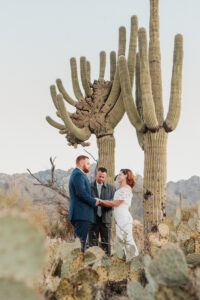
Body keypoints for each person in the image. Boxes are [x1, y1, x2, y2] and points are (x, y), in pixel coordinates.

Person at [98, 169, 139, 256]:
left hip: (124, 218)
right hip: (120, 219)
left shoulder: (126, 189)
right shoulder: (122, 188)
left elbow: (116, 203)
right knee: (121, 242)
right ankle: (125, 262)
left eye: (120, 174)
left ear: (126, 176)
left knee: (128, 241)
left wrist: (101, 201)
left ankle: (136, 261)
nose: (118, 176)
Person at [68, 155, 99, 253]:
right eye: (88, 163)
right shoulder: (78, 174)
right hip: (81, 214)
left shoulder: (78, 174)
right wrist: (94, 201)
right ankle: (76, 266)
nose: (89, 166)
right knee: (79, 245)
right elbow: (81, 193)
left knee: (80, 243)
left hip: (81, 214)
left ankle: (77, 265)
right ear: (81, 163)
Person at [88, 167, 116, 256]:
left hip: (106, 220)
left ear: (105, 177)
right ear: (96, 174)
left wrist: (101, 202)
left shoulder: (112, 189)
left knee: (106, 245)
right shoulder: (88, 187)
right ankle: (92, 267)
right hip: (92, 220)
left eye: (103, 177)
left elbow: (113, 203)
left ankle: (106, 267)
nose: (101, 179)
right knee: (92, 245)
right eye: (99, 176)